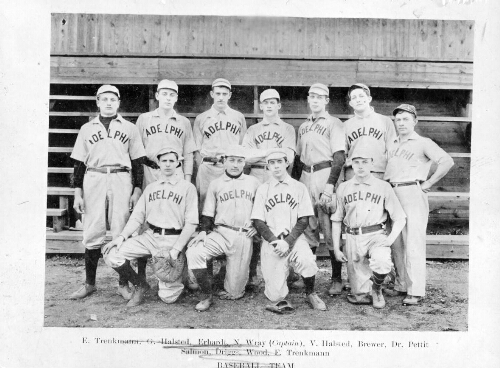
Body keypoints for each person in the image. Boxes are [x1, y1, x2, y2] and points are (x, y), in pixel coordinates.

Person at [69, 85, 147, 300]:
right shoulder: (87, 129)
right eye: (104, 99)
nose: (109, 102)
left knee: (121, 229)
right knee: (92, 230)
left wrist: (137, 188)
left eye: (113, 99)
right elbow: (78, 163)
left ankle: (123, 284)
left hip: (122, 177)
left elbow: (138, 161)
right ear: (98, 102)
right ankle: (89, 283)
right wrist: (77, 193)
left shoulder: (130, 128)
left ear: (119, 102)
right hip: (93, 177)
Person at [102, 148, 198, 306]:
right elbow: (137, 217)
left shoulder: (187, 188)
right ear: (158, 163)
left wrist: (176, 250)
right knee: (112, 254)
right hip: (150, 237)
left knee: (168, 298)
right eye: (164, 161)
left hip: (173, 240)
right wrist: (121, 237)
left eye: (171, 161)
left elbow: (192, 223)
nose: (167, 164)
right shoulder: (151, 188)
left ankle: (183, 275)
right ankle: (140, 285)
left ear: (178, 164)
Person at [384, 104, 454, 305]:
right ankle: (401, 284)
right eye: (398, 120)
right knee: (396, 241)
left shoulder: (423, 142)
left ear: (415, 121)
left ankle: (416, 290)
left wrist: (429, 183)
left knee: (413, 241)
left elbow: (446, 161)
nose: (401, 123)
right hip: (393, 191)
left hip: (412, 191)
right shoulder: (392, 143)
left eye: (406, 119)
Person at [251, 148, 327, 313]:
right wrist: (274, 241)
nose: (276, 166)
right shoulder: (263, 189)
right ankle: (285, 277)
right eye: (272, 163)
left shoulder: (299, 187)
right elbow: (258, 220)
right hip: (272, 242)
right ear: (267, 166)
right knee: (276, 296)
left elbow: (304, 219)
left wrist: (288, 241)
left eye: (280, 162)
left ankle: (310, 292)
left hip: (294, 239)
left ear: (287, 163)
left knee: (307, 261)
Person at [186, 145, 261, 311]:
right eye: (231, 160)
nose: (235, 164)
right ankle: (206, 294)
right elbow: (208, 212)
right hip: (221, 232)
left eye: (239, 161)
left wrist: (257, 226)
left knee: (234, 293)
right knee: (194, 251)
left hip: (243, 235)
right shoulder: (215, 184)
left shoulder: (254, 182)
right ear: (224, 161)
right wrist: (204, 231)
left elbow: (262, 210)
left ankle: (225, 274)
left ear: (244, 163)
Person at [331, 148, 406, 309]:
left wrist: (390, 240)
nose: (361, 166)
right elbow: (337, 220)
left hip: (375, 235)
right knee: (359, 296)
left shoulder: (383, 186)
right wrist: (337, 249)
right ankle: (365, 285)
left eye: (365, 162)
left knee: (382, 262)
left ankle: (377, 288)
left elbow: (400, 217)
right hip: (352, 237)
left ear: (372, 163)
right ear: (351, 164)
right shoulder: (344, 187)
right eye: (356, 162)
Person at [241, 88, 296, 286]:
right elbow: (245, 157)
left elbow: (288, 157)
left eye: (273, 102)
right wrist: (272, 152)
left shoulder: (288, 128)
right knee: (255, 222)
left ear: (279, 105)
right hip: (256, 174)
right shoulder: (253, 129)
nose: (269, 106)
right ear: (261, 106)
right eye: (266, 102)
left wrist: (261, 153)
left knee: (281, 220)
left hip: (278, 176)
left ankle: (286, 271)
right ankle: (252, 272)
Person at [296, 83, 346, 296]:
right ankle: (308, 276)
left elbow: (339, 157)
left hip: (325, 174)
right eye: (312, 97)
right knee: (308, 226)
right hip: (306, 175)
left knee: (330, 228)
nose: (315, 100)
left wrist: (330, 184)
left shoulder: (334, 123)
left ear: (327, 100)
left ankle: (336, 278)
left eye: (320, 97)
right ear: (308, 99)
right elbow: (299, 160)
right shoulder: (304, 125)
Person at [193, 78, 247, 209]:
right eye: (218, 94)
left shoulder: (238, 117)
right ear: (212, 94)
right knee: (205, 204)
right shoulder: (201, 118)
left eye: (224, 94)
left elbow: (242, 146)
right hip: (208, 166)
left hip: (229, 167)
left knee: (229, 204)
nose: (221, 98)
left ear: (230, 95)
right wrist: (202, 169)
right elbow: (197, 149)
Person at [136, 79, 196, 187]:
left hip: (176, 174)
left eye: (172, 95)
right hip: (151, 173)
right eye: (164, 94)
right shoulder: (144, 119)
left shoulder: (184, 122)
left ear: (176, 98)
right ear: (157, 95)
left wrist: (187, 181)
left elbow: (188, 155)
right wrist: (138, 184)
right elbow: (137, 153)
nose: (168, 98)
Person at [343, 83, 397, 181]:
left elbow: (392, 152)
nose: (358, 100)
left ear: (369, 99)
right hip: (353, 174)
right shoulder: (346, 125)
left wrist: (390, 177)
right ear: (351, 103)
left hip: (378, 173)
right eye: (354, 98)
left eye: (361, 96)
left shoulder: (385, 121)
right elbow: (342, 155)